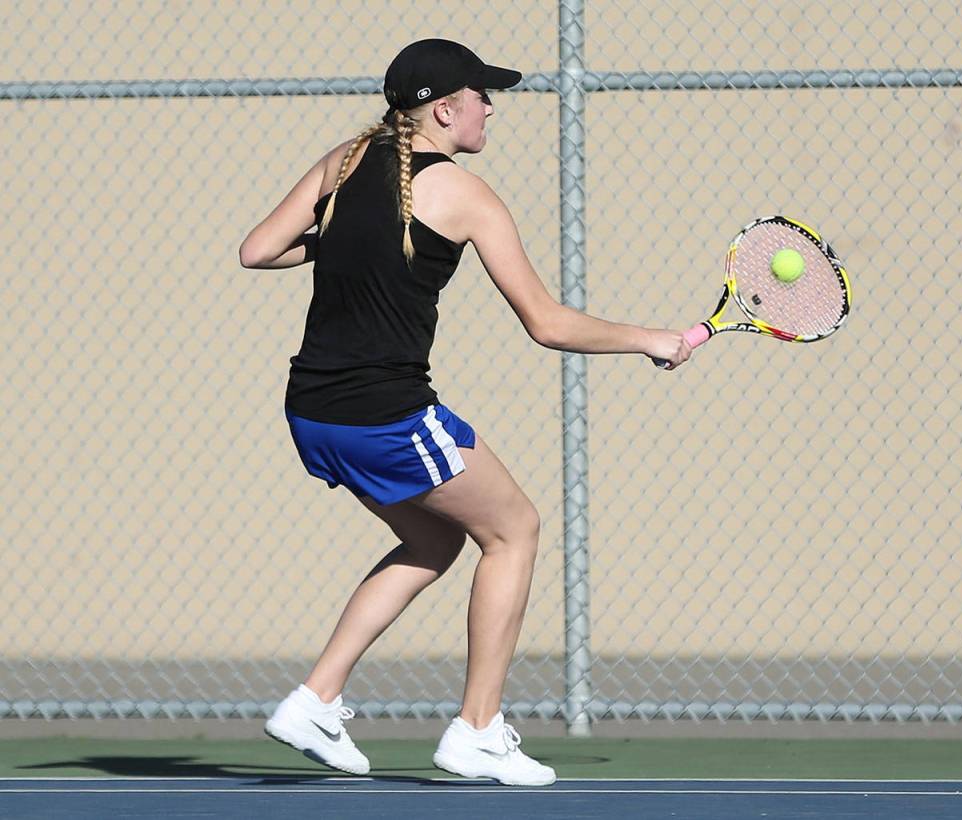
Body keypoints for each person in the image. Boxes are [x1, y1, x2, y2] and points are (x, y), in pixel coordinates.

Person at [238, 38, 691, 787]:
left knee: (431, 540)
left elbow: (259, 250)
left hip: (312, 411)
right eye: (482, 95)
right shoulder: (466, 194)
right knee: (515, 530)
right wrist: (651, 340)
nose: (491, 107)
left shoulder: (343, 162)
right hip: (385, 411)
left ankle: (314, 700)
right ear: (445, 109)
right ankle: (477, 730)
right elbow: (545, 323)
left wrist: (343, 243)